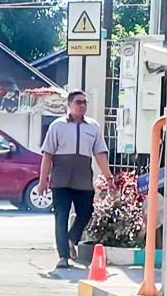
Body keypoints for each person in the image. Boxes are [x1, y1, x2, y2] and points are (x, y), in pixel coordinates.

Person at [38, 89, 112, 268]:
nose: (82, 105)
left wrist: (108, 176)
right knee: (61, 216)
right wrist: (42, 181)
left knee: (86, 212)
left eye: (85, 102)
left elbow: (99, 153)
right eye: (78, 102)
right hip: (61, 179)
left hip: (83, 179)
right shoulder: (57, 126)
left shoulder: (93, 126)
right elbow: (47, 155)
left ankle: (72, 239)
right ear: (69, 104)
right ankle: (63, 256)